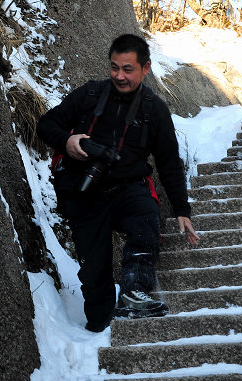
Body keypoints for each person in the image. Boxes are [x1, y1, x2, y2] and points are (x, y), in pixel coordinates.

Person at [37, 33, 199, 332]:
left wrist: (182, 209)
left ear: (145, 68)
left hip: (128, 188)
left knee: (146, 219)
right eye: (114, 68)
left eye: (128, 69)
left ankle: (134, 291)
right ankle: (99, 328)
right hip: (83, 189)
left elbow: (169, 164)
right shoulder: (89, 95)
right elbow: (46, 123)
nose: (119, 76)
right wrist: (68, 140)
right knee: (94, 268)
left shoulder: (154, 110)